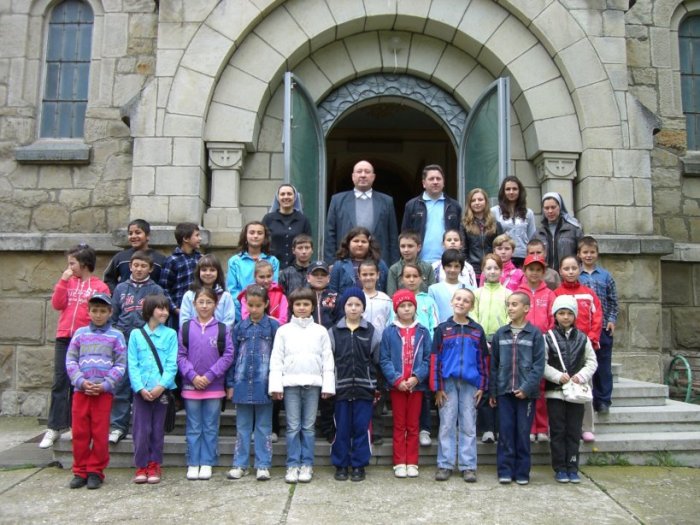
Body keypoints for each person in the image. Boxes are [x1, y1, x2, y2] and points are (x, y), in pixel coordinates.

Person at [40, 244, 110, 449]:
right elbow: (57, 304)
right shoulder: (68, 282)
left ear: (84, 263)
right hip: (64, 337)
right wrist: (63, 281)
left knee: (78, 383)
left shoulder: (99, 286)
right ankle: (54, 427)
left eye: (72, 263)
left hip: (86, 341)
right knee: (60, 381)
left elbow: (102, 313)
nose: (69, 267)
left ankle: (74, 425)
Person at [269, 287, 335, 484]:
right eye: (298, 304)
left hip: (313, 385)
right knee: (293, 427)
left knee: (308, 427)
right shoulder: (283, 331)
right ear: (292, 307)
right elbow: (276, 359)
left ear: (313, 307)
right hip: (290, 385)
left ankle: (307, 464)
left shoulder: (320, 331)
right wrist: (276, 386)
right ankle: (292, 464)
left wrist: (328, 386)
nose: (302, 308)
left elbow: (327, 360)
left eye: (306, 304)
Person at [65, 293, 126, 490]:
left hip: (103, 393)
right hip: (81, 392)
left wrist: (106, 384)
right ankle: (80, 470)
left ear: (110, 312)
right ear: (88, 312)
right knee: (80, 433)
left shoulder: (116, 336)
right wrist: (81, 381)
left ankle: (95, 471)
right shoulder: (80, 334)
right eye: (95, 311)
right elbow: (71, 360)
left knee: (99, 434)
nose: (98, 315)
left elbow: (120, 364)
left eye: (102, 311)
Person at [108, 251, 164, 445]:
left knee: (144, 383)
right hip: (123, 340)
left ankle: (143, 427)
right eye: (136, 265)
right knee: (121, 384)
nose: (139, 269)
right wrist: (116, 334)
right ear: (130, 267)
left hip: (145, 342)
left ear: (150, 269)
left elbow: (159, 316)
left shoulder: (156, 289)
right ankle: (118, 426)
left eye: (143, 266)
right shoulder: (121, 288)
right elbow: (113, 314)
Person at [178, 287, 234, 481]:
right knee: (194, 426)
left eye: (209, 302)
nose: (204, 306)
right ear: (194, 304)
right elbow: (180, 355)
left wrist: (210, 376)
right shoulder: (186, 327)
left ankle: (207, 462)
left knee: (210, 426)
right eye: (201, 302)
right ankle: (193, 462)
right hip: (190, 386)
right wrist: (193, 376)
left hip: (214, 387)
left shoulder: (222, 329)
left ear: (216, 305)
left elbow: (228, 355)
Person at [432, 288, 488, 483]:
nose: (461, 303)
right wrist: (437, 387)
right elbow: (435, 359)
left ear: (471, 306)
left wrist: (482, 385)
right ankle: (445, 464)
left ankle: (468, 465)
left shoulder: (477, 330)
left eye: (466, 301)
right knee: (447, 423)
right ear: (451, 302)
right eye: (458, 299)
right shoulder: (442, 329)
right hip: (447, 383)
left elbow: (483, 359)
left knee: (468, 424)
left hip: (470, 383)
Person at [490, 292, 545, 485]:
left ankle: (522, 472)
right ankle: (505, 470)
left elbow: (539, 365)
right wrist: (493, 391)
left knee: (522, 433)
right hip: (504, 392)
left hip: (526, 395)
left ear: (526, 308)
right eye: (509, 304)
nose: (510, 308)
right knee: (505, 432)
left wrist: (527, 388)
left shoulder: (535, 334)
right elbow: (494, 365)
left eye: (514, 304)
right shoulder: (500, 334)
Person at [226, 285, 280, 482]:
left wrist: (276, 385)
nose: (254, 309)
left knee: (264, 427)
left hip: (264, 384)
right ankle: (240, 464)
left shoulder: (273, 327)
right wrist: (230, 384)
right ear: (245, 304)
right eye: (251, 305)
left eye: (258, 305)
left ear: (266, 304)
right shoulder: (239, 328)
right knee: (242, 427)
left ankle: (263, 464)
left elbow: (278, 357)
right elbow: (232, 357)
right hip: (242, 384)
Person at [328, 288, 381, 482]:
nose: (353, 308)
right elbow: (329, 360)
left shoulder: (371, 331)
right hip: (341, 388)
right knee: (342, 428)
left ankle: (359, 465)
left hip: (364, 388)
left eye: (357, 304)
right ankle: (341, 464)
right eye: (349, 304)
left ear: (363, 308)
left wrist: (374, 384)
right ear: (343, 307)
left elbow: (376, 360)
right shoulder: (334, 331)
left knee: (361, 428)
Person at [543, 295, 597, 484]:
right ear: (555, 315)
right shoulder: (547, 338)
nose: (565, 317)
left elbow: (591, 361)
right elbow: (542, 363)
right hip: (555, 392)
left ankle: (573, 466)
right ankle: (560, 467)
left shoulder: (583, 338)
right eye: (561, 313)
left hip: (576, 393)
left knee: (574, 430)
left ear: (575, 315)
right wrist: (557, 376)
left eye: (569, 313)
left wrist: (581, 376)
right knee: (558, 431)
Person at [380, 289, 431, 478]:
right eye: (402, 306)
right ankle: (400, 461)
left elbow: (428, 359)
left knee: (413, 425)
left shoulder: (423, 332)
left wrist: (417, 377)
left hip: (416, 386)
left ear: (415, 308)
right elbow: (384, 359)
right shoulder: (389, 332)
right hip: (398, 387)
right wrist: (397, 380)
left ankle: (412, 462)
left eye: (410, 305)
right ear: (396, 309)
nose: (407, 309)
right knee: (399, 424)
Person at [127, 294, 178, 485]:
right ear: (150, 310)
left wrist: (161, 386)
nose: (165, 312)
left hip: (161, 391)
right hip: (141, 392)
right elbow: (132, 364)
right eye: (160, 308)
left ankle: (154, 464)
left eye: (166, 309)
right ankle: (141, 464)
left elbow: (172, 364)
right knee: (141, 430)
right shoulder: (136, 335)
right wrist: (139, 388)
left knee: (157, 429)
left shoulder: (171, 334)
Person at [554, 255, 603, 443]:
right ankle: (565, 425)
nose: (570, 272)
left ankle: (587, 427)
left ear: (579, 269)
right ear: (560, 271)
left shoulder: (589, 293)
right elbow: (552, 318)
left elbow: (597, 317)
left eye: (574, 268)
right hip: (561, 347)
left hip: (583, 346)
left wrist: (591, 338)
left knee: (585, 386)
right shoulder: (557, 294)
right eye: (566, 268)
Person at [324, 160, 399, 265]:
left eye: (367, 172)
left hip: (378, 261)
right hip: (345, 260)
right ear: (353, 176)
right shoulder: (337, 200)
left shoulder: (386, 201)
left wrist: (394, 264)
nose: (363, 175)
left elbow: (393, 236)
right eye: (359, 171)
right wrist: (331, 263)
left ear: (373, 177)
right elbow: (330, 234)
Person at [516, 254, 555, 443]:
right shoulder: (518, 292)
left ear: (544, 272)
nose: (534, 273)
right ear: (524, 270)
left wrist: (547, 336)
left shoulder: (549, 294)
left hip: (542, 343)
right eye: (531, 269)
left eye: (539, 270)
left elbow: (553, 318)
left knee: (540, 386)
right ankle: (529, 426)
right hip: (523, 342)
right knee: (526, 384)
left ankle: (542, 427)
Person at [400, 263, 439, 448]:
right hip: (403, 353)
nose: (411, 280)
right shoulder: (397, 299)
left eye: (415, 276)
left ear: (422, 278)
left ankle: (424, 428)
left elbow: (434, 326)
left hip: (423, 353)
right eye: (407, 276)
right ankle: (406, 427)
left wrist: (430, 349)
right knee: (404, 391)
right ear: (402, 279)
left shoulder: (428, 301)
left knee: (422, 391)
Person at [473, 254, 510, 444]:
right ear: (483, 271)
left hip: (502, 342)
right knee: (484, 384)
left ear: (502, 271)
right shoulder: (477, 294)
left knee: (500, 383)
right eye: (488, 268)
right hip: (482, 344)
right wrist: (482, 340)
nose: (492, 271)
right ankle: (487, 428)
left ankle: (500, 427)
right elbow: (473, 316)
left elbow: (511, 316)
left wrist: (500, 339)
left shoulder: (508, 294)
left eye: (496, 268)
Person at [578, 236, 618, 414]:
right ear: (579, 254)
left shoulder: (605, 276)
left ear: (597, 254)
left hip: (602, 328)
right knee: (584, 364)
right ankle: (586, 398)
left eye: (592, 252)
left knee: (603, 366)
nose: (588, 255)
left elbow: (613, 301)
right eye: (585, 252)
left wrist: (611, 319)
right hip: (582, 329)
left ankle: (603, 400)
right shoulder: (576, 275)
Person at [401, 164, 462, 264]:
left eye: (438, 179)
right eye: (431, 179)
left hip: (448, 262)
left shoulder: (454, 206)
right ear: (424, 183)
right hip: (419, 262)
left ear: (443, 182)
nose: (435, 182)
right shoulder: (411, 205)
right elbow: (405, 234)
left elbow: (460, 234)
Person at [226, 221, 280, 319]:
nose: (255, 236)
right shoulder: (235, 261)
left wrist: (263, 308)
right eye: (252, 232)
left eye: (259, 233)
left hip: (267, 313)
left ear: (264, 237)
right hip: (240, 313)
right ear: (245, 236)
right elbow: (232, 290)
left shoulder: (273, 261)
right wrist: (246, 308)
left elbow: (273, 287)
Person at [103, 219, 166, 292]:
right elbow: (108, 279)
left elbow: (165, 284)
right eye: (130, 233)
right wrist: (117, 293)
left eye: (138, 233)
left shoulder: (160, 259)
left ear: (148, 236)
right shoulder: (120, 258)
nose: (133, 236)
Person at [159, 222, 202, 327]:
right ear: (186, 239)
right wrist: (175, 309)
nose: (200, 238)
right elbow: (164, 288)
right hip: (178, 313)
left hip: (200, 310)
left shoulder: (201, 259)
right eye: (197, 235)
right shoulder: (172, 261)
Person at [262, 183, 312, 269]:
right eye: (282, 194)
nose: (286, 197)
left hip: (297, 269)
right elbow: (263, 243)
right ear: (278, 197)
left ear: (295, 197)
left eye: (289, 194)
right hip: (272, 268)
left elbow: (308, 244)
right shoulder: (268, 219)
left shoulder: (303, 220)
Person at [179, 254, 235, 329]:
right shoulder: (189, 295)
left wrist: (214, 333)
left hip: (219, 335)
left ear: (218, 273)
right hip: (194, 335)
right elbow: (184, 322)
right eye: (204, 270)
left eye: (212, 270)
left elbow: (229, 322)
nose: (208, 273)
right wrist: (199, 333)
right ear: (198, 272)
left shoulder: (226, 296)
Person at [491, 177, 536, 267]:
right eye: (508, 189)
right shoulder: (494, 211)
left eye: (514, 189)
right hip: (502, 257)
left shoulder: (528, 213)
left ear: (520, 191)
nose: (511, 192)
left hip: (523, 258)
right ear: (503, 192)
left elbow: (532, 237)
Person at [329, 226, 389, 294]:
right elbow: (332, 293)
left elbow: (387, 289)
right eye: (356, 241)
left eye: (363, 242)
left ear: (369, 244)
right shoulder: (339, 265)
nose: (360, 244)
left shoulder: (380, 264)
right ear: (348, 244)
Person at [461, 188, 503, 281]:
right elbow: (463, 250)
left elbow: (500, 247)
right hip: (473, 269)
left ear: (486, 202)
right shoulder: (464, 225)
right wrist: (469, 267)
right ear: (469, 204)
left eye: (480, 199)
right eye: (473, 200)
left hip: (492, 268)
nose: (477, 203)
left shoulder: (495, 224)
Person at [536, 192, 583, 271]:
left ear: (560, 207)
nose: (550, 211)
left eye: (553, 207)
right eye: (546, 208)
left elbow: (582, 253)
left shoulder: (573, 229)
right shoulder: (538, 233)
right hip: (546, 276)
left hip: (568, 275)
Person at [387, 230, 435, 296]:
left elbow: (432, 293)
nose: (406, 250)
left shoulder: (427, 268)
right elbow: (392, 295)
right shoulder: (394, 269)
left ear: (418, 247)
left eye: (410, 246)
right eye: (402, 246)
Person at [239, 260, 288, 324]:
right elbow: (245, 317)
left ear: (273, 275)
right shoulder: (247, 295)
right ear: (255, 277)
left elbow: (283, 320)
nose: (266, 280)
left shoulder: (281, 296)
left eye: (269, 276)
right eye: (261, 277)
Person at [429, 249, 469, 323]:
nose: (452, 270)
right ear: (443, 267)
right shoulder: (433, 289)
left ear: (461, 268)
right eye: (449, 266)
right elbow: (432, 314)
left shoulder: (469, 289)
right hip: (441, 328)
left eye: (456, 266)